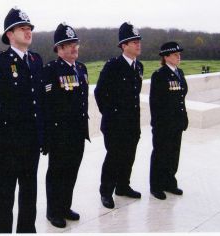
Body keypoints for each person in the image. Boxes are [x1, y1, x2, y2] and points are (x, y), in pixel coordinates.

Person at [0, 7, 44, 233]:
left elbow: (39, 102)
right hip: (7, 146)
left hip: (31, 144)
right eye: (22, 28)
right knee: (3, 197)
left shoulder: (36, 60)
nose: (28, 32)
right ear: (9, 34)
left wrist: (42, 137)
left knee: (30, 193)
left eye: (29, 28)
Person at [41, 23, 90, 228]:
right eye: (68, 45)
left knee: (72, 171)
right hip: (59, 133)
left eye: (75, 43)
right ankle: (53, 211)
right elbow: (45, 105)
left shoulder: (81, 68)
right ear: (59, 49)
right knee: (57, 173)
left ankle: (65, 206)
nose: (74, 48)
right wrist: (47, 136)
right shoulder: (51, 70)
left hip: (78, 132)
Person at [94, 22, 143, 209]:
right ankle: (106, 192)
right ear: (124, 45)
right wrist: (111, 115)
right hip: (115, 124)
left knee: (129, 155)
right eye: (134, 41)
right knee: (114, 157)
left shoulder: (139, 67)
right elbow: (99, 93)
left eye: (139, 40)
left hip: (132, 123)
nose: (138, 44)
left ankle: (123, 186)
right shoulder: (113, 66)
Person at [149, 41, 188, 200]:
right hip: (164, 124)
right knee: (160, 154)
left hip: (177, 122)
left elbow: (181, 98)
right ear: (166, 57)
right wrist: (158, 124)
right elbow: (155, 103)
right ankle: (156, 186)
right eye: (175, 54)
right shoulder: (159, 75)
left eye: (179, 54)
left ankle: (169, 182)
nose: (179, 57)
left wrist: (184, 117)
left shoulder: (180, 73)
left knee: (173, 154)